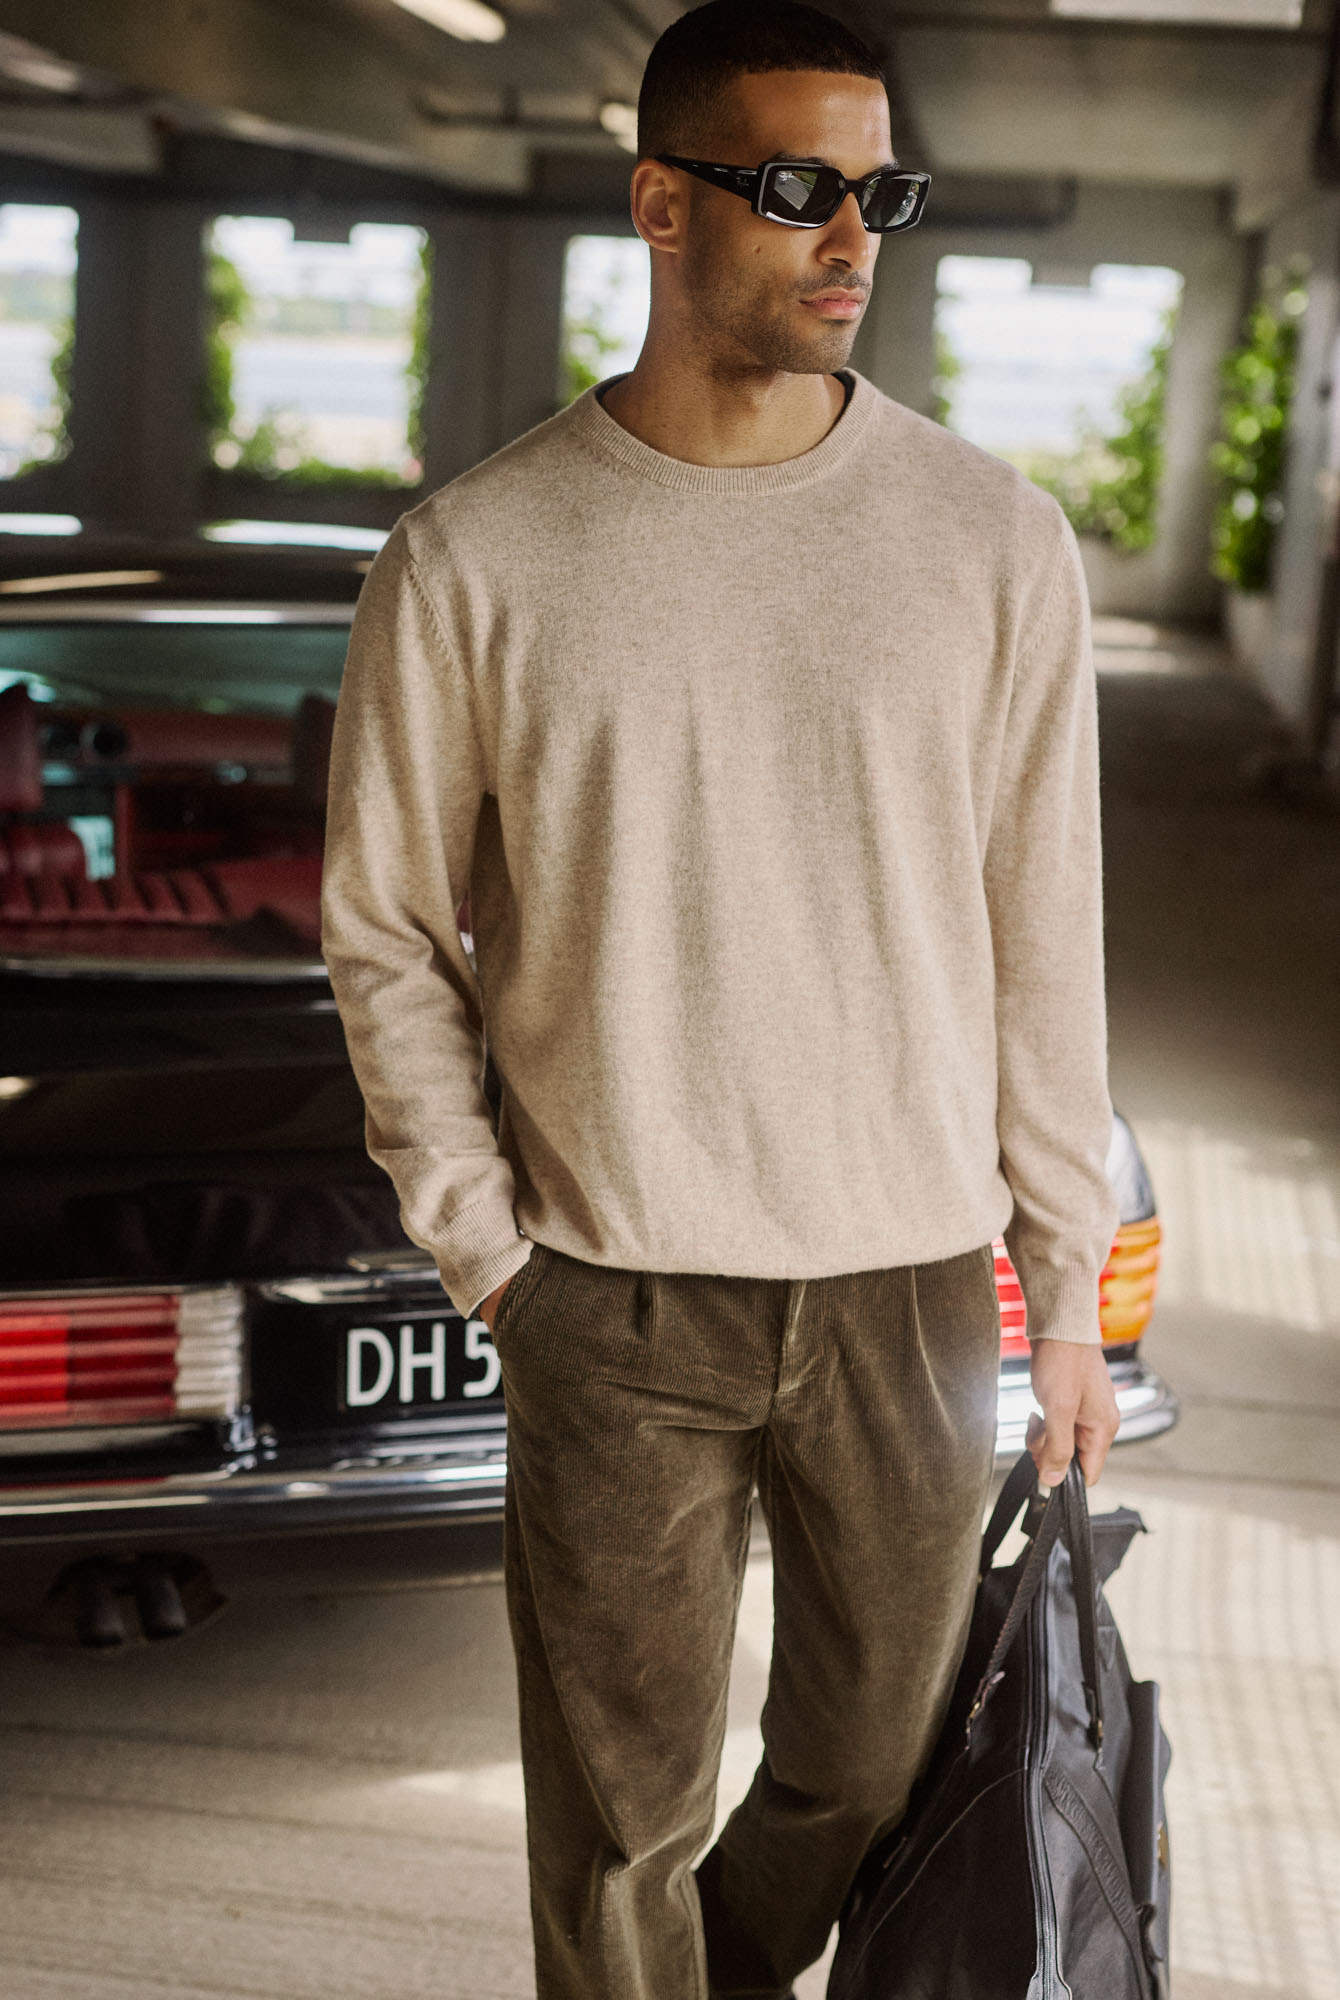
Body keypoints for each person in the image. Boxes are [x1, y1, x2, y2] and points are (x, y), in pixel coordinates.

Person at [320, 3, 1123, 1993]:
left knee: (871, 1768)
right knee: (620, 1826)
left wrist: (1065, 1284)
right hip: (610, 1292)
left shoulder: (992, 544)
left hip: (910, 1286)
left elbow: (1046, 936)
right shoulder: (477, 554)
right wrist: (488, 1248)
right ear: (661, 205)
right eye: (795, 188)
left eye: (879, 194)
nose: (852, 239)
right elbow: (388, 926)